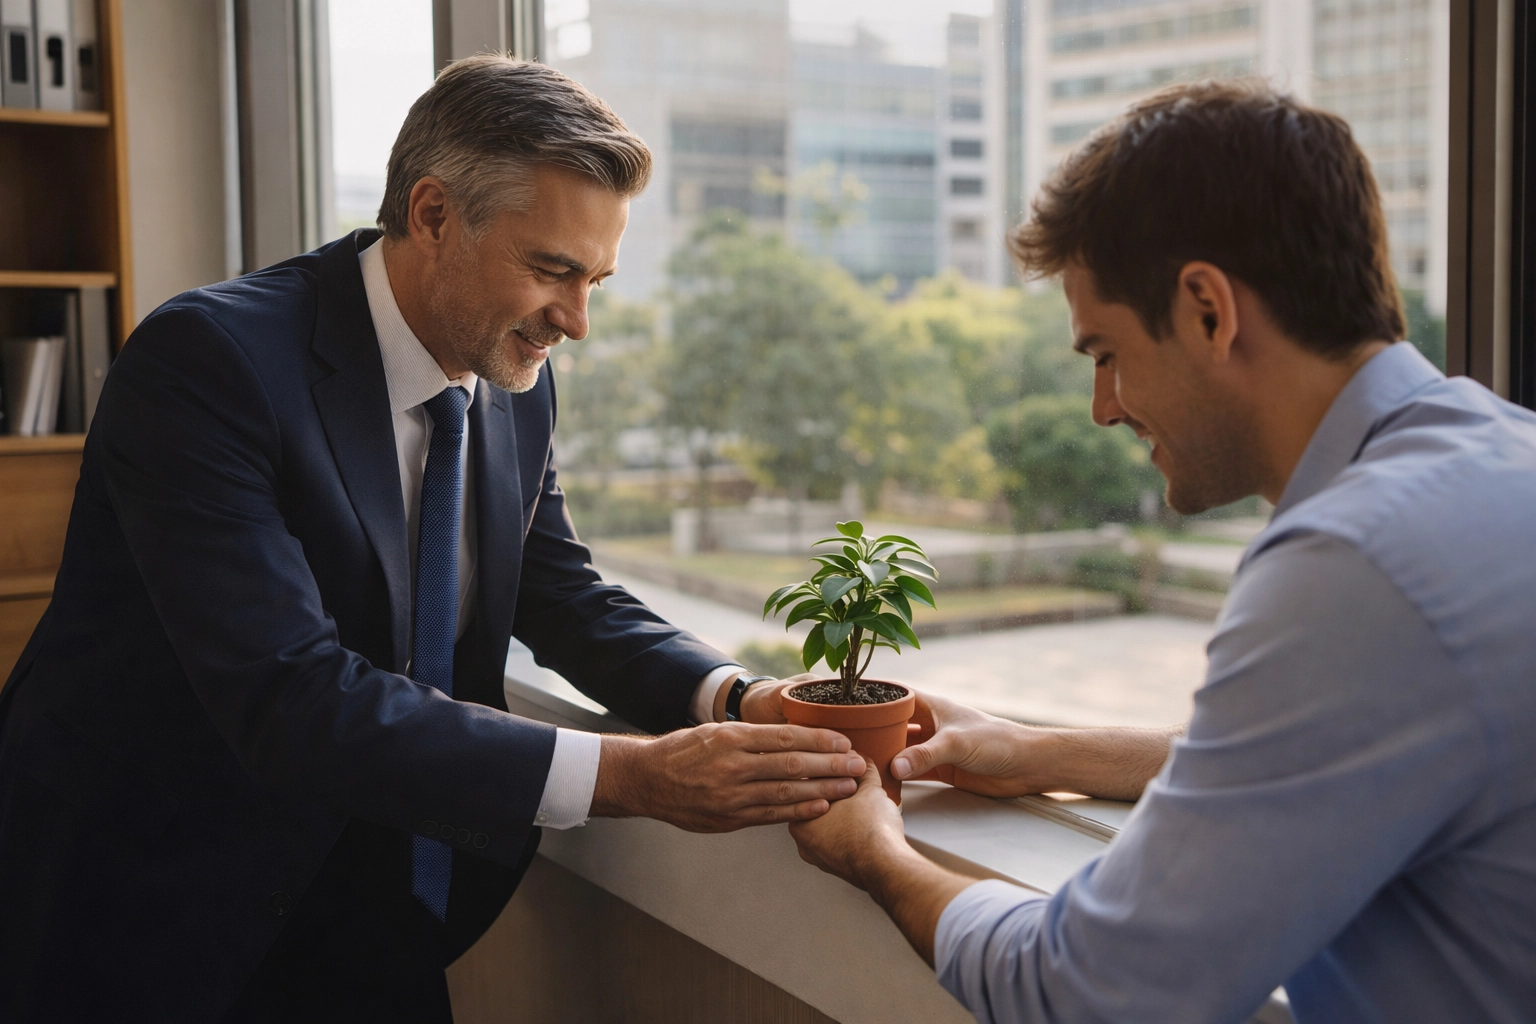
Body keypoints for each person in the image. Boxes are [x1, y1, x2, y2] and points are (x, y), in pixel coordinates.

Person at [0, 55, 864, 1023]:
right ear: (432, 215)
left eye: (597, 280)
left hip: (377, 909)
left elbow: (562, 594)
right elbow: (293, 696)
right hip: (155, 907)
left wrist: (738, 696)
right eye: (553, 271)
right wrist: (636, 776)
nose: (577, 322)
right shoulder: (208, 365)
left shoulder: (511, 373)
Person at [789, 79, 1536, 1023]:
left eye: (1105, 353)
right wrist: (1039, 752)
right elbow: (1332, 750)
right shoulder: (1502, 459)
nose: (1103, 408)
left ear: (1207, 311)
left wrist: (873, 853)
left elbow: (1090, 991)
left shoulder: (1355, 565)